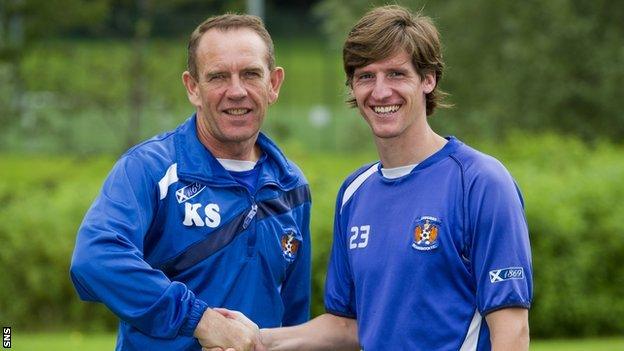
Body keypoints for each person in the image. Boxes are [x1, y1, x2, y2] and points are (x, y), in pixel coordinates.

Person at [219, 5, 532, 350]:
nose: (381, 92)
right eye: (366, 76)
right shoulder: (354, 193)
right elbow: (348, 326)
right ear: (353, 86)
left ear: (428, 80)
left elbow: (511, 332)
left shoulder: (481, 182)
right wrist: (257, 339)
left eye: (396, 74)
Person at [70, 13, 311, 351]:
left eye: (251, 74)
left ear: (274, 84)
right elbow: (94, 259)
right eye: (218, 77)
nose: (237, 91)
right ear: (193, 88)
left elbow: (294, 317)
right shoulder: (149, 169)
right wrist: (200, 321)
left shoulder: (291, 187)